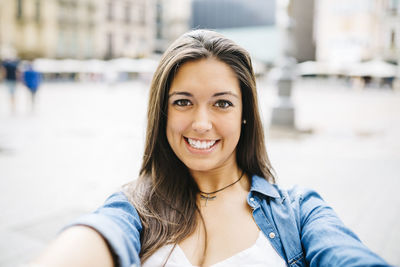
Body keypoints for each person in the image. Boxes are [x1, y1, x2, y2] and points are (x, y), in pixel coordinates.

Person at [30, 30, 390, 267]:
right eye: (183, 102)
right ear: (162, 111)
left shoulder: (299, 213)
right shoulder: (131, 209)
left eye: (222, 103)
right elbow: (92, 239)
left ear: (245, 113)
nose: (201, 123)